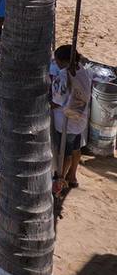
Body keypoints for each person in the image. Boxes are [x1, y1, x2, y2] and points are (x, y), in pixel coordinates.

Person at [50, 45, 92, 189]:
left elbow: (57, 101)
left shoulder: (64, 74)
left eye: (57, 61)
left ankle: (60, 180)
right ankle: (72, 176)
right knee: (75, 147)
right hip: (80, 117)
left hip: (65, 122)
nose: (56, 63)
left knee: (64, 152)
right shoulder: (83, 70)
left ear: (63, 61)